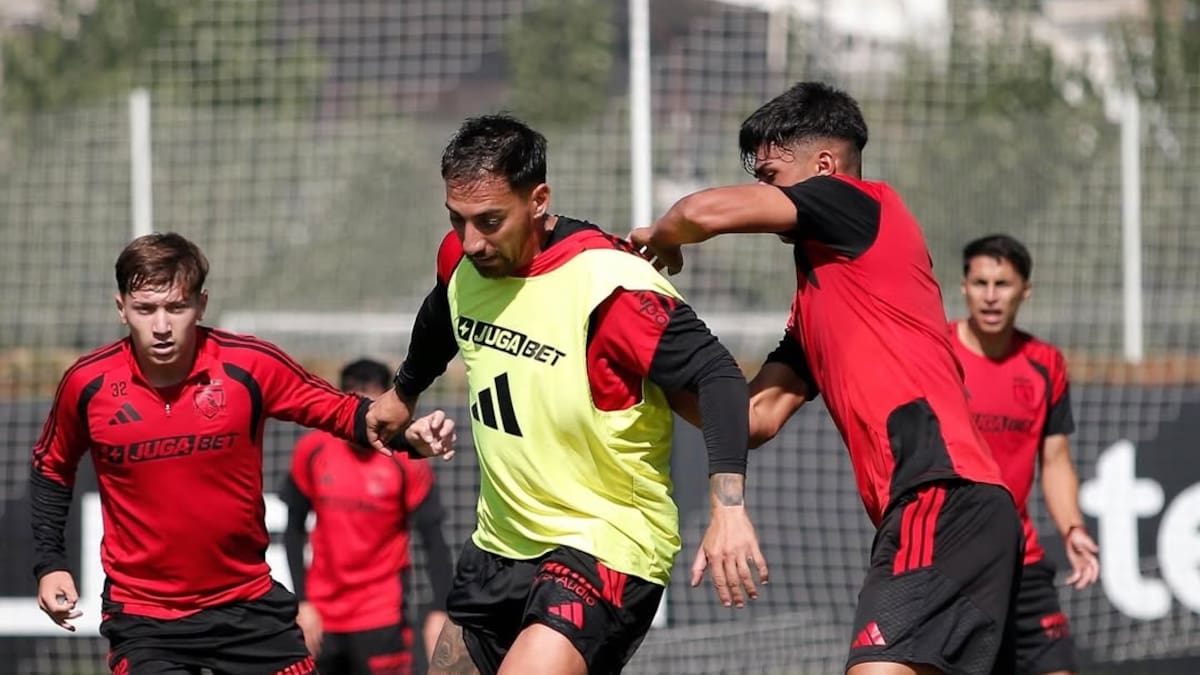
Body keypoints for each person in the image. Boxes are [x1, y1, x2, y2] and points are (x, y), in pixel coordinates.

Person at [632, 81, 1024, 675]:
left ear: (823, 167)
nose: (762, 189)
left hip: (940, 496)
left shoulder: (859, 203)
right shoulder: (821, 296)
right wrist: (645, 363)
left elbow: (699, 213)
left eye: (770, 175)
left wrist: (659, 240)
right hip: (943, 510)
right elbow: (755, 418)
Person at [364, 113, 766, 675]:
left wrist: (728, 509)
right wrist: (404, 391)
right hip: (500, 541)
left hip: (604, 542)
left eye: (489, 220)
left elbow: (718, 376)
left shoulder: (609, 285)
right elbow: (441, 309)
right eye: (457, 220)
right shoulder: (463, 259)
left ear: (539, 199)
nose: (471, 241)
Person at [30, 233, 455, 675]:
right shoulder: (88, 384)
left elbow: (343, 412)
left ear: (202, 304)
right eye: (145, 309)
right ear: (121, 308)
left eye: (176, 308)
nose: (160, 326)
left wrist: (409, 438)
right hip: (146, 619)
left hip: (247, 606)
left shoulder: (248, 366)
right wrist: (50, 564)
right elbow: (51, 467)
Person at [951, 234, 1100, 675]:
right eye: (980, 283)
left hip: (1022, 560)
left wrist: (1072, 527)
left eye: (1003, 284)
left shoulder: (1045, 363)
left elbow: (1055, 461)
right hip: (949, 563)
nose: (991, 296)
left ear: (1025, 291)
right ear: (964, 287)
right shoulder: (937, 355)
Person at [282, 358, 454, 675]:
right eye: (359, 409)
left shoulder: (409, 462)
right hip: (321, 615)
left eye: (375, 409)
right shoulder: (313, 451)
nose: (368, 421)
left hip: (381, 616)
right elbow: (292, 530)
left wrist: (438, 611)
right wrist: (301, 604)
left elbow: (434, 540)